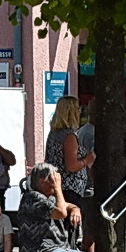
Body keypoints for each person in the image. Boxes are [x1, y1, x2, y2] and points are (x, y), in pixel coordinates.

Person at [44, 96, 93, 228]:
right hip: (70, 189)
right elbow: (71, 166)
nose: (80, 112)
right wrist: (87, 160)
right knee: (70, 227)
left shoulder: (54, 133)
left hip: (58, 186)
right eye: (77, 109)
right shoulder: (69, 136)